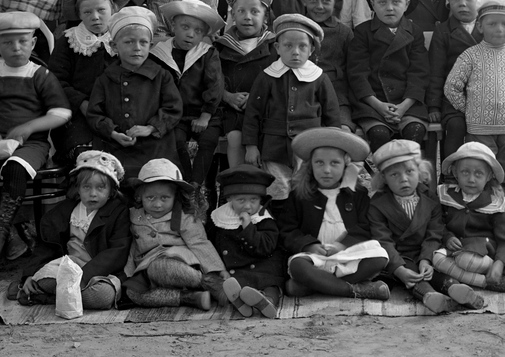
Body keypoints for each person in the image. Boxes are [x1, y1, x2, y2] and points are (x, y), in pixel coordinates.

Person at [0, 12, 71, 259]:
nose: (16, 47)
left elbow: (61, 113)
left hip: (31, 145)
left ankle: (0, 230)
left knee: (15, 169)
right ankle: (9, 233)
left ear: (33, 43)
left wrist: (31, 126)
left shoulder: (40, 75)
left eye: (23, 41)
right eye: (8, 42)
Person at [366, 140, 486, 313]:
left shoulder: (430, 197)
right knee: (413, 276)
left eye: (409, 171)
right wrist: (398, 269)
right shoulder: (377, 204)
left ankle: (455, 288)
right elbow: (383, 240)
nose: (403, 179)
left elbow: (434, 232)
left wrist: (426, 259)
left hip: (426, 250)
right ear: (383, 178)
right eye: (394, 174)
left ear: (420, 171)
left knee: (436, 269)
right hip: (398, 256)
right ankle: (430, 296)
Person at [275, 128, 391, 300]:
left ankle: (315, 285)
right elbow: (288, 229)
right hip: (315, 257)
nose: (327, 170)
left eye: (334, 163)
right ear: (310, 165)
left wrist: (342, 245)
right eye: (319, 163)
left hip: (348, 254)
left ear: (346, 165)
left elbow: (365, 226)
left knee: (380, 256)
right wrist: (309, 246)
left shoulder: (357, 194)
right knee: (298, 265)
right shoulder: (299, 196)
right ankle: (354, 290)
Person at [443, 0, 505, 195]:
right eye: (492, 24)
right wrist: (470, 108)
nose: (499, 29)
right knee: (482, 170)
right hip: (480, 128)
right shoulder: (470, 55)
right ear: (480, 26)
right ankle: (482, 206)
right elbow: (452, 87)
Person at [13, 150, 130, 310]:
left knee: (101, 297)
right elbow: (46, 247)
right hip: (69, 266)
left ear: (111, 191)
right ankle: (57, 292)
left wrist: (83, 277)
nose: (93, 194)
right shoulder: (64, 211)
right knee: (43, 280)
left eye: (100, 188)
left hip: (101, 272)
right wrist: (30, 274)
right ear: (78, 188)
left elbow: (117, 252)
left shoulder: (118, 212)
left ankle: (46, 297)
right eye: (86, 187)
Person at [242, 13, 342, 199]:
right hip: (274, 146)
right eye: (288, 46)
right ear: (278, 48)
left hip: (309, 145)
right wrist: (251, 145)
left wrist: (334, 144)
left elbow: (332, 114)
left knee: (305, 188)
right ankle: (279, 215)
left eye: (302, 46)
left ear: (311, 49)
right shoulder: (267, 77)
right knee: (277, 188)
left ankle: (303, 215)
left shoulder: (319, 78)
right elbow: (253, 112)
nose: (295, 52)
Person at [86, 7, 183, 177]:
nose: (137, 48)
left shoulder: (161, 76)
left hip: (155, 147)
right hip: (116, 148)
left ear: (150, 46)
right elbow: (94, 113)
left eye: (143, 42)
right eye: (129, 42)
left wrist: (150, 128)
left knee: (155, 180)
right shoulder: (105, 79)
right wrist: (113, 133)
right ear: (114, 46)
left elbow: (173, 108)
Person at [346, 0, 430, 151]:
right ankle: (382, 170)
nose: (389, 8)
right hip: (373, 103)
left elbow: (419, 73)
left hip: (407, 103)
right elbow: (357, 74)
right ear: (373, 5)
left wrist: (405, 105)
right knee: (379, 134)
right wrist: (377, 105)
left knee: (415, 130)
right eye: (382, 2)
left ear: (406, 4)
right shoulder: (362, 32)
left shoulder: (414, 33)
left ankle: (410, 168)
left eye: (396, 2)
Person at [122, 158, 223, 309]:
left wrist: (217, 270)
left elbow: (199, 242)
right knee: (132, 292)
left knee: (159, 267)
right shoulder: (134, 216)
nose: (157, 204)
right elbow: (133, 246)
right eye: (150, 198)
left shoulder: (184, 217)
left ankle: (211, 285)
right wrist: (128, 274)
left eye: (164, 198)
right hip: (146, 267)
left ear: (176, 196)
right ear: (139, 196)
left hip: (180, 265)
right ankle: (189, 298)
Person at [47, 0, 128, 165]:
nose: (95, 17)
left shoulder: (122, 40)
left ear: (113, 9)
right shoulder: (68, 41)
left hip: (117, 111)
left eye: (101, 10)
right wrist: (81, 103)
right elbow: (55, 81)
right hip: (78, 115)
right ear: (79, 14)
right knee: (86, 152)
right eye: (87, 12)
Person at [150, 0, 226, 188]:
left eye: (198, 31)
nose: (190, 34)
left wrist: (205, 116)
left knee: (208, 142)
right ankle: (186, 183)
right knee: (175, 142)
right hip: (175, 115)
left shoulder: (208, 54)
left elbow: (215, 85)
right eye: (185, 27)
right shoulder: (159, 54)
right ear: (173, 26)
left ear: (204, 34)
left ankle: (196, 186)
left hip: (205, 113)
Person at [432, 142, 505, 295]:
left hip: (484, 254)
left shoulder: (498, 203)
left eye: (478, 174)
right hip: (455, 250)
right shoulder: (446, 195)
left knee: (465, 260)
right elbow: (437, 223)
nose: (471, 179)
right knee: (437, 258)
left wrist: (500, 263)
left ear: (489, 176)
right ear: (455, 172)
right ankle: (489, 283)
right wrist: (448, 237)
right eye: (465, 172)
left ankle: (496, 272)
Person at [207, 165, 286, 318]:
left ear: (260, 199)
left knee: (271, 285)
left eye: (253, 200)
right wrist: (219, 269)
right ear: (229, 198)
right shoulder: (218, 218)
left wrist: (248, 227)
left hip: (261, 266)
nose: (248, 206)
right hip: (233, 271)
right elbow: (211, 246)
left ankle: (267, 301)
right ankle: (239, 302)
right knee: (216, 283)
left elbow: (266, 247)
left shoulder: (264, 218)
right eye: (241, 200)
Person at [427, 0, 488, 161]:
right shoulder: (443, 31)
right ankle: (449, 171)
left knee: (487, 128)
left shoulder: (491, 27)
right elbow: (436, 70)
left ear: (481, 1)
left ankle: (482, 170)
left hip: (487, 98)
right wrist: (434, 106)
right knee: (455, 126)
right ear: (448, 2)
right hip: (454, 100)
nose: (462, 3)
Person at [216, 0, 277, 167]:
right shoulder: (220, 47)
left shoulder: (274, 47)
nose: (247, 17)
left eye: (255, 11)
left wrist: (257, 97)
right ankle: (237, 179)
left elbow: (279, 83)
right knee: (234, 136)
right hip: (231, 109)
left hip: (265, 109)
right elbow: (212, 80)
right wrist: (227, 96)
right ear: (233, 15)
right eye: (241, 11)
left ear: (265, 16)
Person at [298, 0, 354, 129]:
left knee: (342, 131)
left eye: (326, 1)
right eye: (313, 0)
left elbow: (352, 70)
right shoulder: (295, 30)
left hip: (337, 98)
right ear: (304, 0)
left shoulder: (344, 33)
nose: (319, 6)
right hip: (302, 97)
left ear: (335, 1)